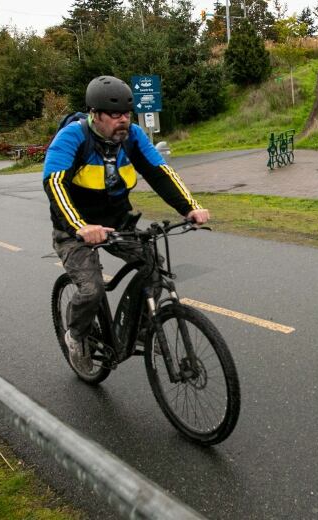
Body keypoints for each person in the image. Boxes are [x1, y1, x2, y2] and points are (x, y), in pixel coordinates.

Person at [43, 75, 209, 373]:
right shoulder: (72, 138)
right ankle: (76, 336)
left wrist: (190, 208)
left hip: (118, 223)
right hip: (75, 230)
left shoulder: (132, 136)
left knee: (153, 268)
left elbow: (160, 172)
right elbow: (54, 184)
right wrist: (79, 226)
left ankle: (144, 329)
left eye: (127, 114)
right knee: (91, 290)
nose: (123, 121)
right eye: (115, 115)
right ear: (96, 115)